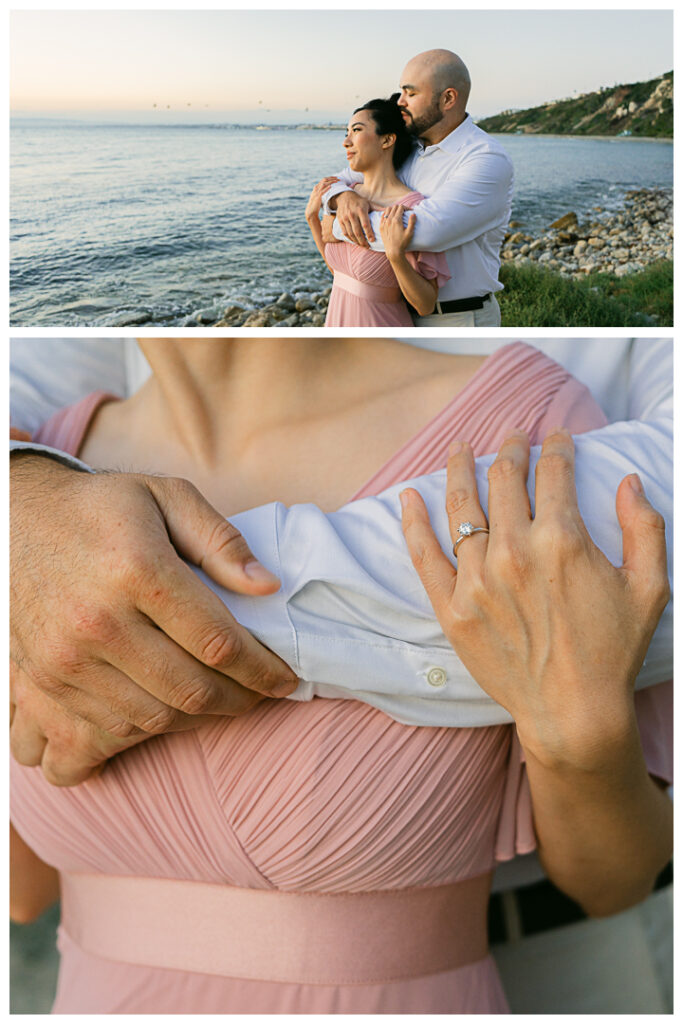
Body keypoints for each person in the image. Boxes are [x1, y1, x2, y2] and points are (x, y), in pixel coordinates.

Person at [10, 338, 672, 1013]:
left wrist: (580, 730)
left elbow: (611, 882)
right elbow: (22, 885)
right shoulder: (40, 480)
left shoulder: (516, 428)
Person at [322, 49, 514, 327]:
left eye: (410, 94)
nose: (400, 102)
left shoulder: (485, 159)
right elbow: (335, 180)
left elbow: (425, 230)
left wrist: (338, 226)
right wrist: (344, 197)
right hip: (397, 310)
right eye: (401, 92)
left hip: (458, 318)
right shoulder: (409, 148)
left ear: (448, 98)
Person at [306, 97, 450, 326]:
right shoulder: (345, 197)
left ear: (387, 140)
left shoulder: (412, 209)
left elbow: (425, 305)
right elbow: (339, 273)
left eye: (356, 130)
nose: (346, 142)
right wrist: (312, 220)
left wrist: (396, 256)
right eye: (346, 132)